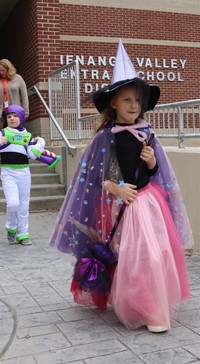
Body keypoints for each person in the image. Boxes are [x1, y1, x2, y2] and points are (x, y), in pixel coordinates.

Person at [50, 40, 193, 333]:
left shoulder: (147, 134)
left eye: (137, 101)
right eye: (127, 100)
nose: (134, 106)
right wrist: (117, 190)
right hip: (119, 207)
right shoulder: (106, 138)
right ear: (114, 103)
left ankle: (153, 308)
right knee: (130, 258)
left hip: (149, 204)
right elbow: (96, 178)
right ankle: (134, 304)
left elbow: (157, 172)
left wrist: (152, 162)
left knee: (155, 255)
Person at [0, 104, 62, 245]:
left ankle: (22, 233)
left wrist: (40, 142)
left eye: (15, 116)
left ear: (21, 117)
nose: (12, 118)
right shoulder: (3, 133)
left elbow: (32, 154)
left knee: (23, 204)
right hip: (7, 172)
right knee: (13, 204)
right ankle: (11, 227)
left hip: (23, 173)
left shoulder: (27, 136)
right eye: (9, 116)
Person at [0, 59, 29, 129]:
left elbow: (24, 96)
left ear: (8, 69)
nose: (1, 72)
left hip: (15, 112)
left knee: (15, 134)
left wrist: (26, 112)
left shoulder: (18, 78)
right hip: (1, 113)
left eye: (3, 70)